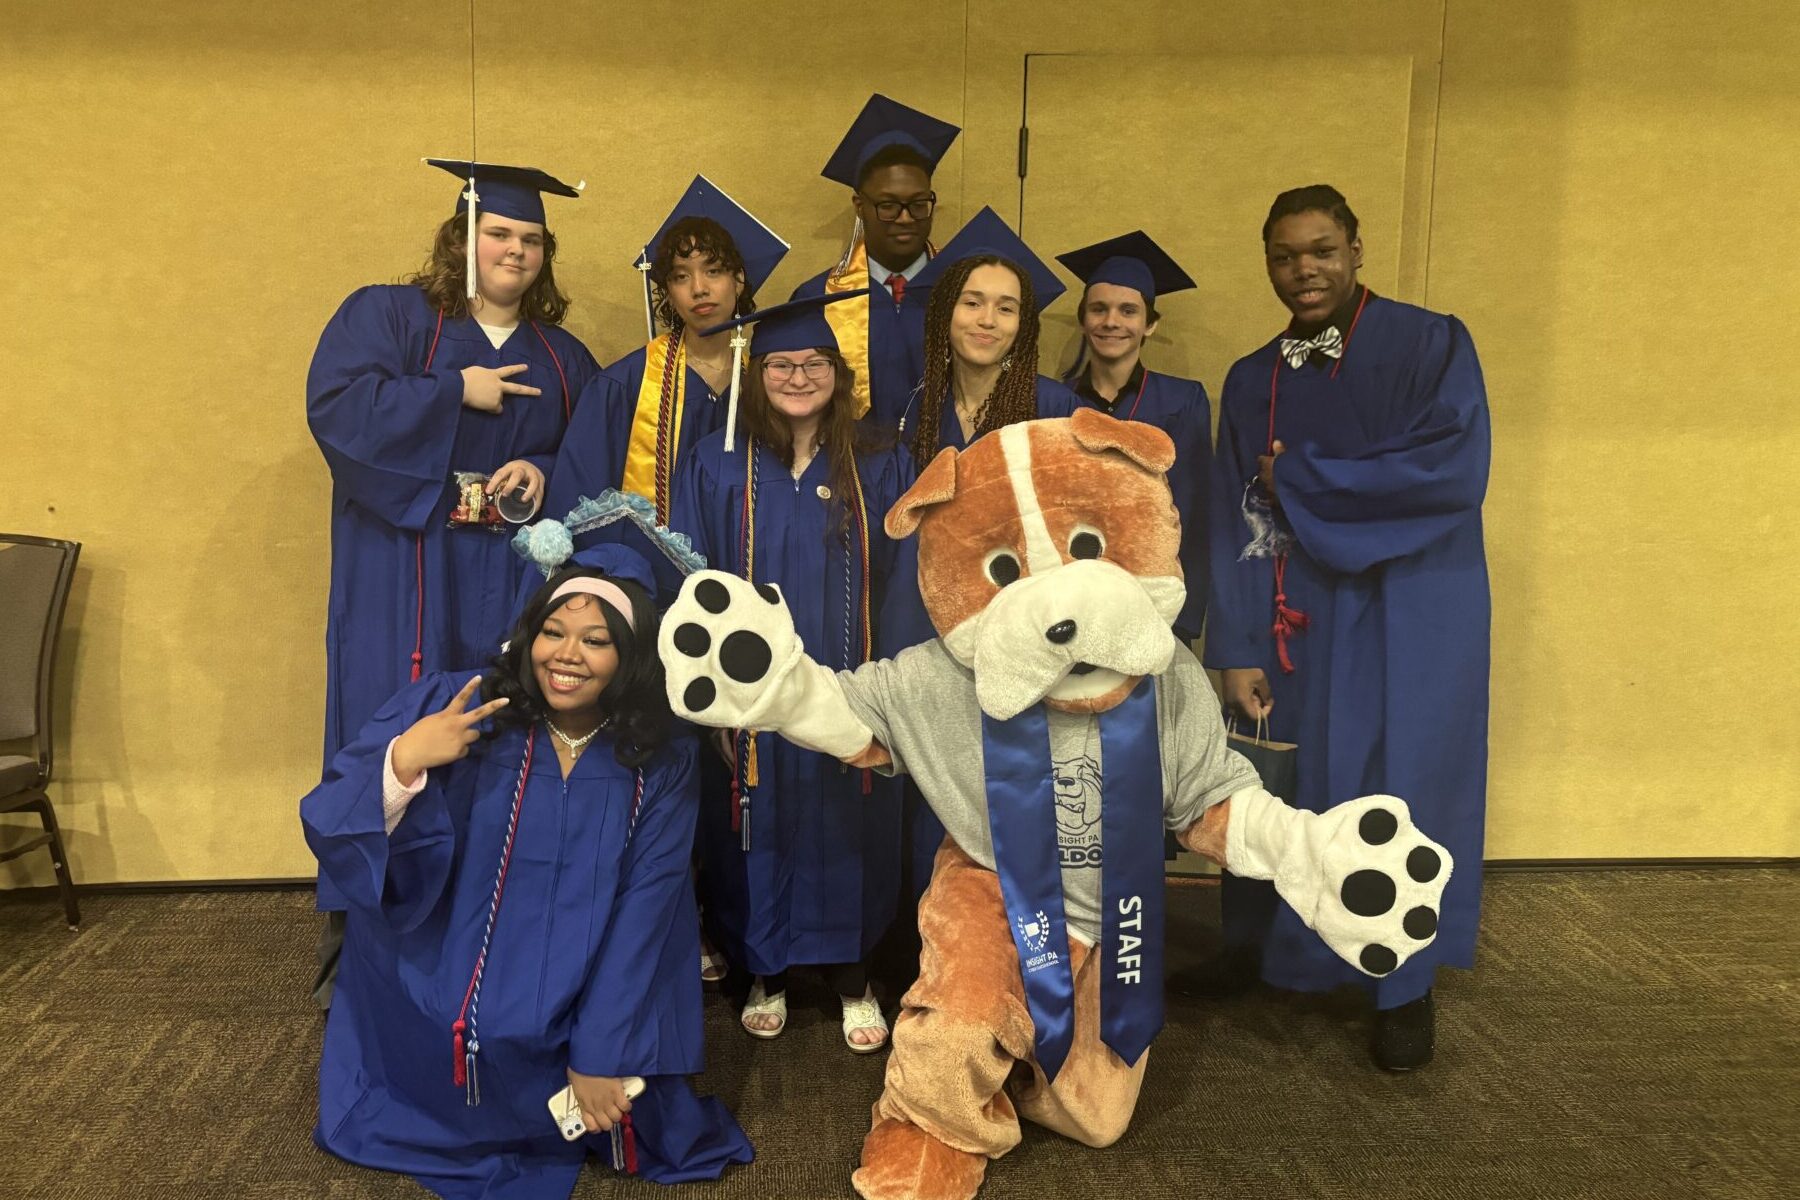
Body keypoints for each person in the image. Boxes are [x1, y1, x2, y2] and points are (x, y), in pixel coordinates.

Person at [303, 543, 753, 1197]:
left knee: (633, 1107)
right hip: (452, 979)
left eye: (596, 640)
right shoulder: (464, 706)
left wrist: (602, 1052)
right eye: (552, 631)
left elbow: (647, 912)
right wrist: (404, 760)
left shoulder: (661, 758)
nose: (566, 654)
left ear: (630, 655)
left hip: (586, 987)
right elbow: (330, 819)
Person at [1203, 184, 1491, 1070]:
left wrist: (1309, 477)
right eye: (1285, 256)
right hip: (1299, 611)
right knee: (1284, 783)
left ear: (1357, 249)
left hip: (1413, 606)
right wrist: (1238, 645)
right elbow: (1232, 511)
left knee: (1402, 785)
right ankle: (1264, 952)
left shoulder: (1432, 343)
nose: (1304, 271)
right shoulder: (1255, 378)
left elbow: (1452, 469)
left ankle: (1401, 985)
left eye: (1321, 250)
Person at [306, 159, 602, 1008]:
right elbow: (339, 408)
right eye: (499, 234)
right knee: (396, 721)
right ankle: (363, 930)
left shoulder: (564, 355)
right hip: (409, 567)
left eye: (531, 240)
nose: (515, 250)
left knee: (510, 722)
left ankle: (496, 918)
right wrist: (451, 392)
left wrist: (546, 470)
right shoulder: (391, 317)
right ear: (462, 239)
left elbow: (596, 458)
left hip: (512, 576)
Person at [670, 292, 915, 1052]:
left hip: (852, 681)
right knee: (751, 819)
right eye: (783, 363)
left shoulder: (880, 460)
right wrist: (713, 699)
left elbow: (910, 575)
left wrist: (892, 695)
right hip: (753, 694)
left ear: (839, 375)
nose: (799, 376)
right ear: (757, 370)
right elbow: (692, 579)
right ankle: (765, 971)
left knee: (852, 819)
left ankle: (853, 977)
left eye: (815, 364)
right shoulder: (714, 461)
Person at [543, 176, 788, 531]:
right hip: (646, 575)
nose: (699, 289)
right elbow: (579, 507)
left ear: (738, 280)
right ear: (668, 292)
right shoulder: (623, 385)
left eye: (714, 271)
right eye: (681, 277)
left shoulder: (765, 384)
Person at [1056, 232, 1212, 643]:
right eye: (1099, 309)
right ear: (1083, 318)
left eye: (1128, 311)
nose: (1112, 322)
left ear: (1150, 324)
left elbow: (1194, 512)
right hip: (1072, 598)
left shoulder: (1183, 400)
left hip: (1155, 601)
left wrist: (1182, 617)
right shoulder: (1055, 401)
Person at [789, 94, 961, 434]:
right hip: (850, 476)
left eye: (918, 204)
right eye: (888, 205)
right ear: (859, 205)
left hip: (952, 469)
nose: (905, 218)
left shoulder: (966, 295)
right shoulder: (816, 300)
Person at [900, 206, 1080, 464]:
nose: (987, 320)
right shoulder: (921, 405)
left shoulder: (1056, 408)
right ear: (946, 313)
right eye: (972, 303)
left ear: (1023, 325)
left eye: (1006, 308)